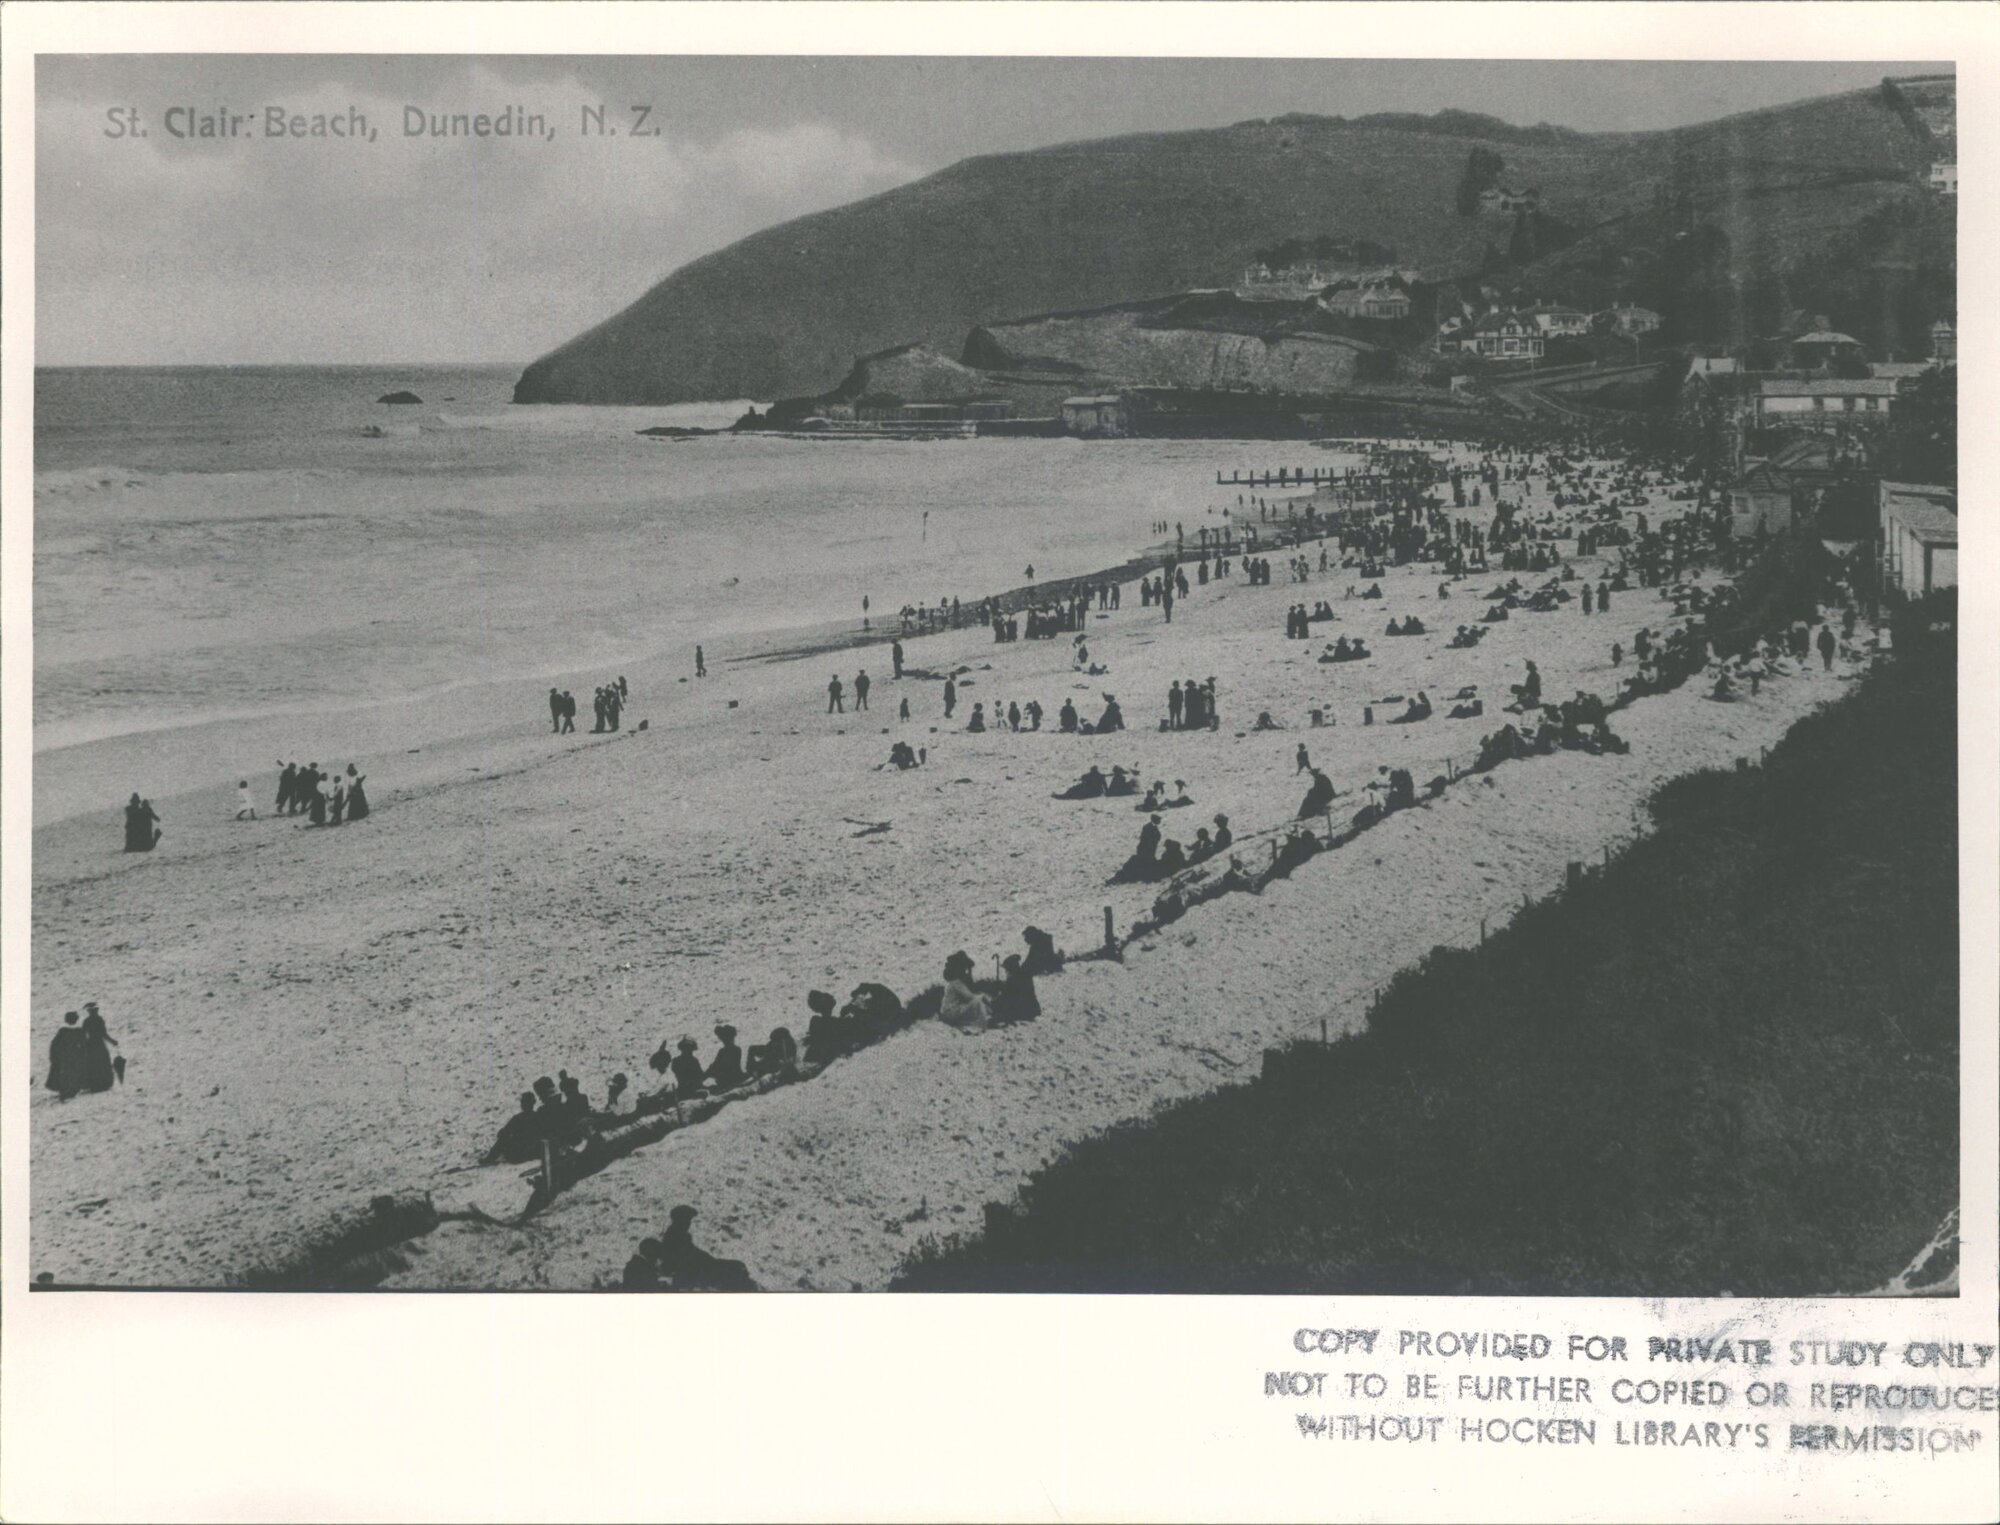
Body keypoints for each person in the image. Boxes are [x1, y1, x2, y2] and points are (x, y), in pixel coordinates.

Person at [655, 1205, 757, 1291]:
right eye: (686, 1220)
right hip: (694, 1270)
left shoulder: (678, 1234)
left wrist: (707, 1259)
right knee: (734, 1269)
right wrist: (708, 1260)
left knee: (736, 1266)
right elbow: (688, 1256)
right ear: (679, 1220)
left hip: (698, 1267)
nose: (688, 1223)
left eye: (689, 1220)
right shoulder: (676, 1236)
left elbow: (692, 1253)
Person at [483, 1092, 546, 1165]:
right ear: (533, 1103)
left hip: (517, 1155)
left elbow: (503, 1133)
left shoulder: (518, 1118)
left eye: (523, 1102)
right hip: (534, 1153)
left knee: (503, 1139)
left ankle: (490, 1159)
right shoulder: (538, 1116)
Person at [937, 951, 992, 1033]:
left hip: (951, 1010)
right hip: (950, 1012)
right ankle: (983, 1022)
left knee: (979, 999)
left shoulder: (956, 982)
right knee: (978, 1001)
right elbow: (970, 996)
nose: (965, 971)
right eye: (964, 968)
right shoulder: (956, 983)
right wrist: (982, 996)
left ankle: (987, 1016)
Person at [75, 1008, 119, 1094]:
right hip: (100, 1044)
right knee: (103, 1062)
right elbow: (104, 1034)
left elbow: (83, 1034)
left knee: (93, 1063)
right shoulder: (99, 1020)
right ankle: (105, 1083)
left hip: (91, 1045)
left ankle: (94, 1084)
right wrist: (112, 1041)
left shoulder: (87, 1021)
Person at [46, 1011, 87, 1100]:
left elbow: (54, 1044)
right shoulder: (79, 1030)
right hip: (76, 1056)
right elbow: (84, 1044)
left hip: (64, 1057)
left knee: (65, 1074)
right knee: (74, 1073)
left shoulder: (63, 1031)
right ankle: (72, 1090)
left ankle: (65, 1090)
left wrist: (54, 1056)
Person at [993, 954, 1041, 1025]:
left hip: (1022, 1011)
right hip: (1032, 1010)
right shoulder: (1024, 976)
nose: (1006, 972)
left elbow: (1007, 995)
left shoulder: (1013, 980)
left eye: (1006, 970)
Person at [706, 1024, 747, 1091]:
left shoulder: (722, 1051)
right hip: (737, 1076)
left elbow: (715, 1066)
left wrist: (703, 1076)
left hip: (726, 1080)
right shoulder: (737, 1049)